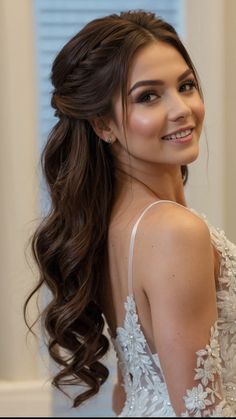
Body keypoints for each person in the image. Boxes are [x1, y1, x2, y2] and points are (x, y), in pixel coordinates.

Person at [24, 9, 236, 417]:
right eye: (148, 96)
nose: (182, 109)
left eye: (186, 85)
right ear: (103, 124)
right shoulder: (175, 231)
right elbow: (201, 411)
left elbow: (128, 391)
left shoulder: (111, 224)